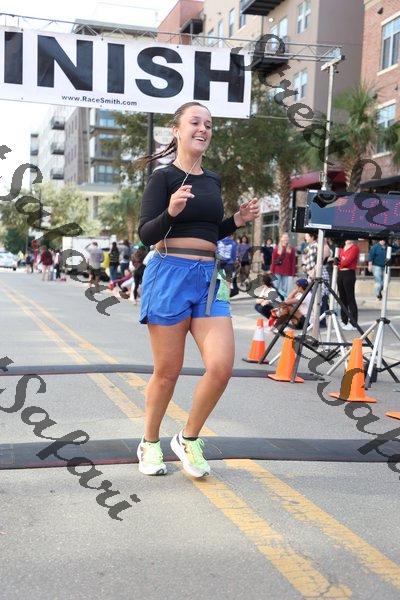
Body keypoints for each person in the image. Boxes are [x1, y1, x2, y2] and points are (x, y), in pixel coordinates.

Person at [136, 101, 260, 477]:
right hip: (168, 274)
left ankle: (188, 439)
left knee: (221, 367)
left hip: (208, 278)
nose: (203, 128)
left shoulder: (212, 180)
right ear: (177, 130)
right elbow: (146, 234)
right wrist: (170, 212)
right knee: (167, 372)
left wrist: (236, 219)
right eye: (195, 122)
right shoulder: (162, 178)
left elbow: (209, 231)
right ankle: (150, 442)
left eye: (208, 124)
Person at [337, 239, 360, 330]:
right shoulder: (342, 248)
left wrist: (340, 262)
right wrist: (340, 262)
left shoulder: (354, 248)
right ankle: (344, 320)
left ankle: (353, 322)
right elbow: (340, 260)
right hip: (340, 273)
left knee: (350, 298)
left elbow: (347, 261)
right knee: (342, 298)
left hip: (349, 273)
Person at [270, 232, 296, 298]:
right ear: (281, 238)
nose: (286, 239)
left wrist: (293, 273)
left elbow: (293, 262)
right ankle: (275, 300)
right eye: (284, 237)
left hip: (287, 271)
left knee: (285, 289)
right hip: (277, 271)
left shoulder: (292, 249)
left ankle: (283, 300)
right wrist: (272, 271)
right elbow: (273, 261)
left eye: (287, 237)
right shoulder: (276, 248)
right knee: (276, 287)